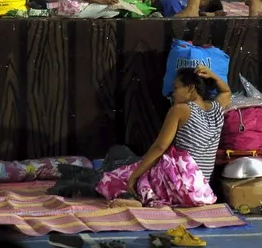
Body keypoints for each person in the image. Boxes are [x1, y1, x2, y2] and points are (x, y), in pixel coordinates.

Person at [96, 67, 229, 207]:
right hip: (200, 192)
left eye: (176, 88)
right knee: (134, 162)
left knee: (119, 172)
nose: (172, 94)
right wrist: (213, 75)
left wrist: (134, 177)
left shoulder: (180, 110)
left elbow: (159, 147)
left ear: (190, 88)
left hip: (180, 185)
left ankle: (133, 198)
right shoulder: (216, 109)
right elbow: (226, 91)